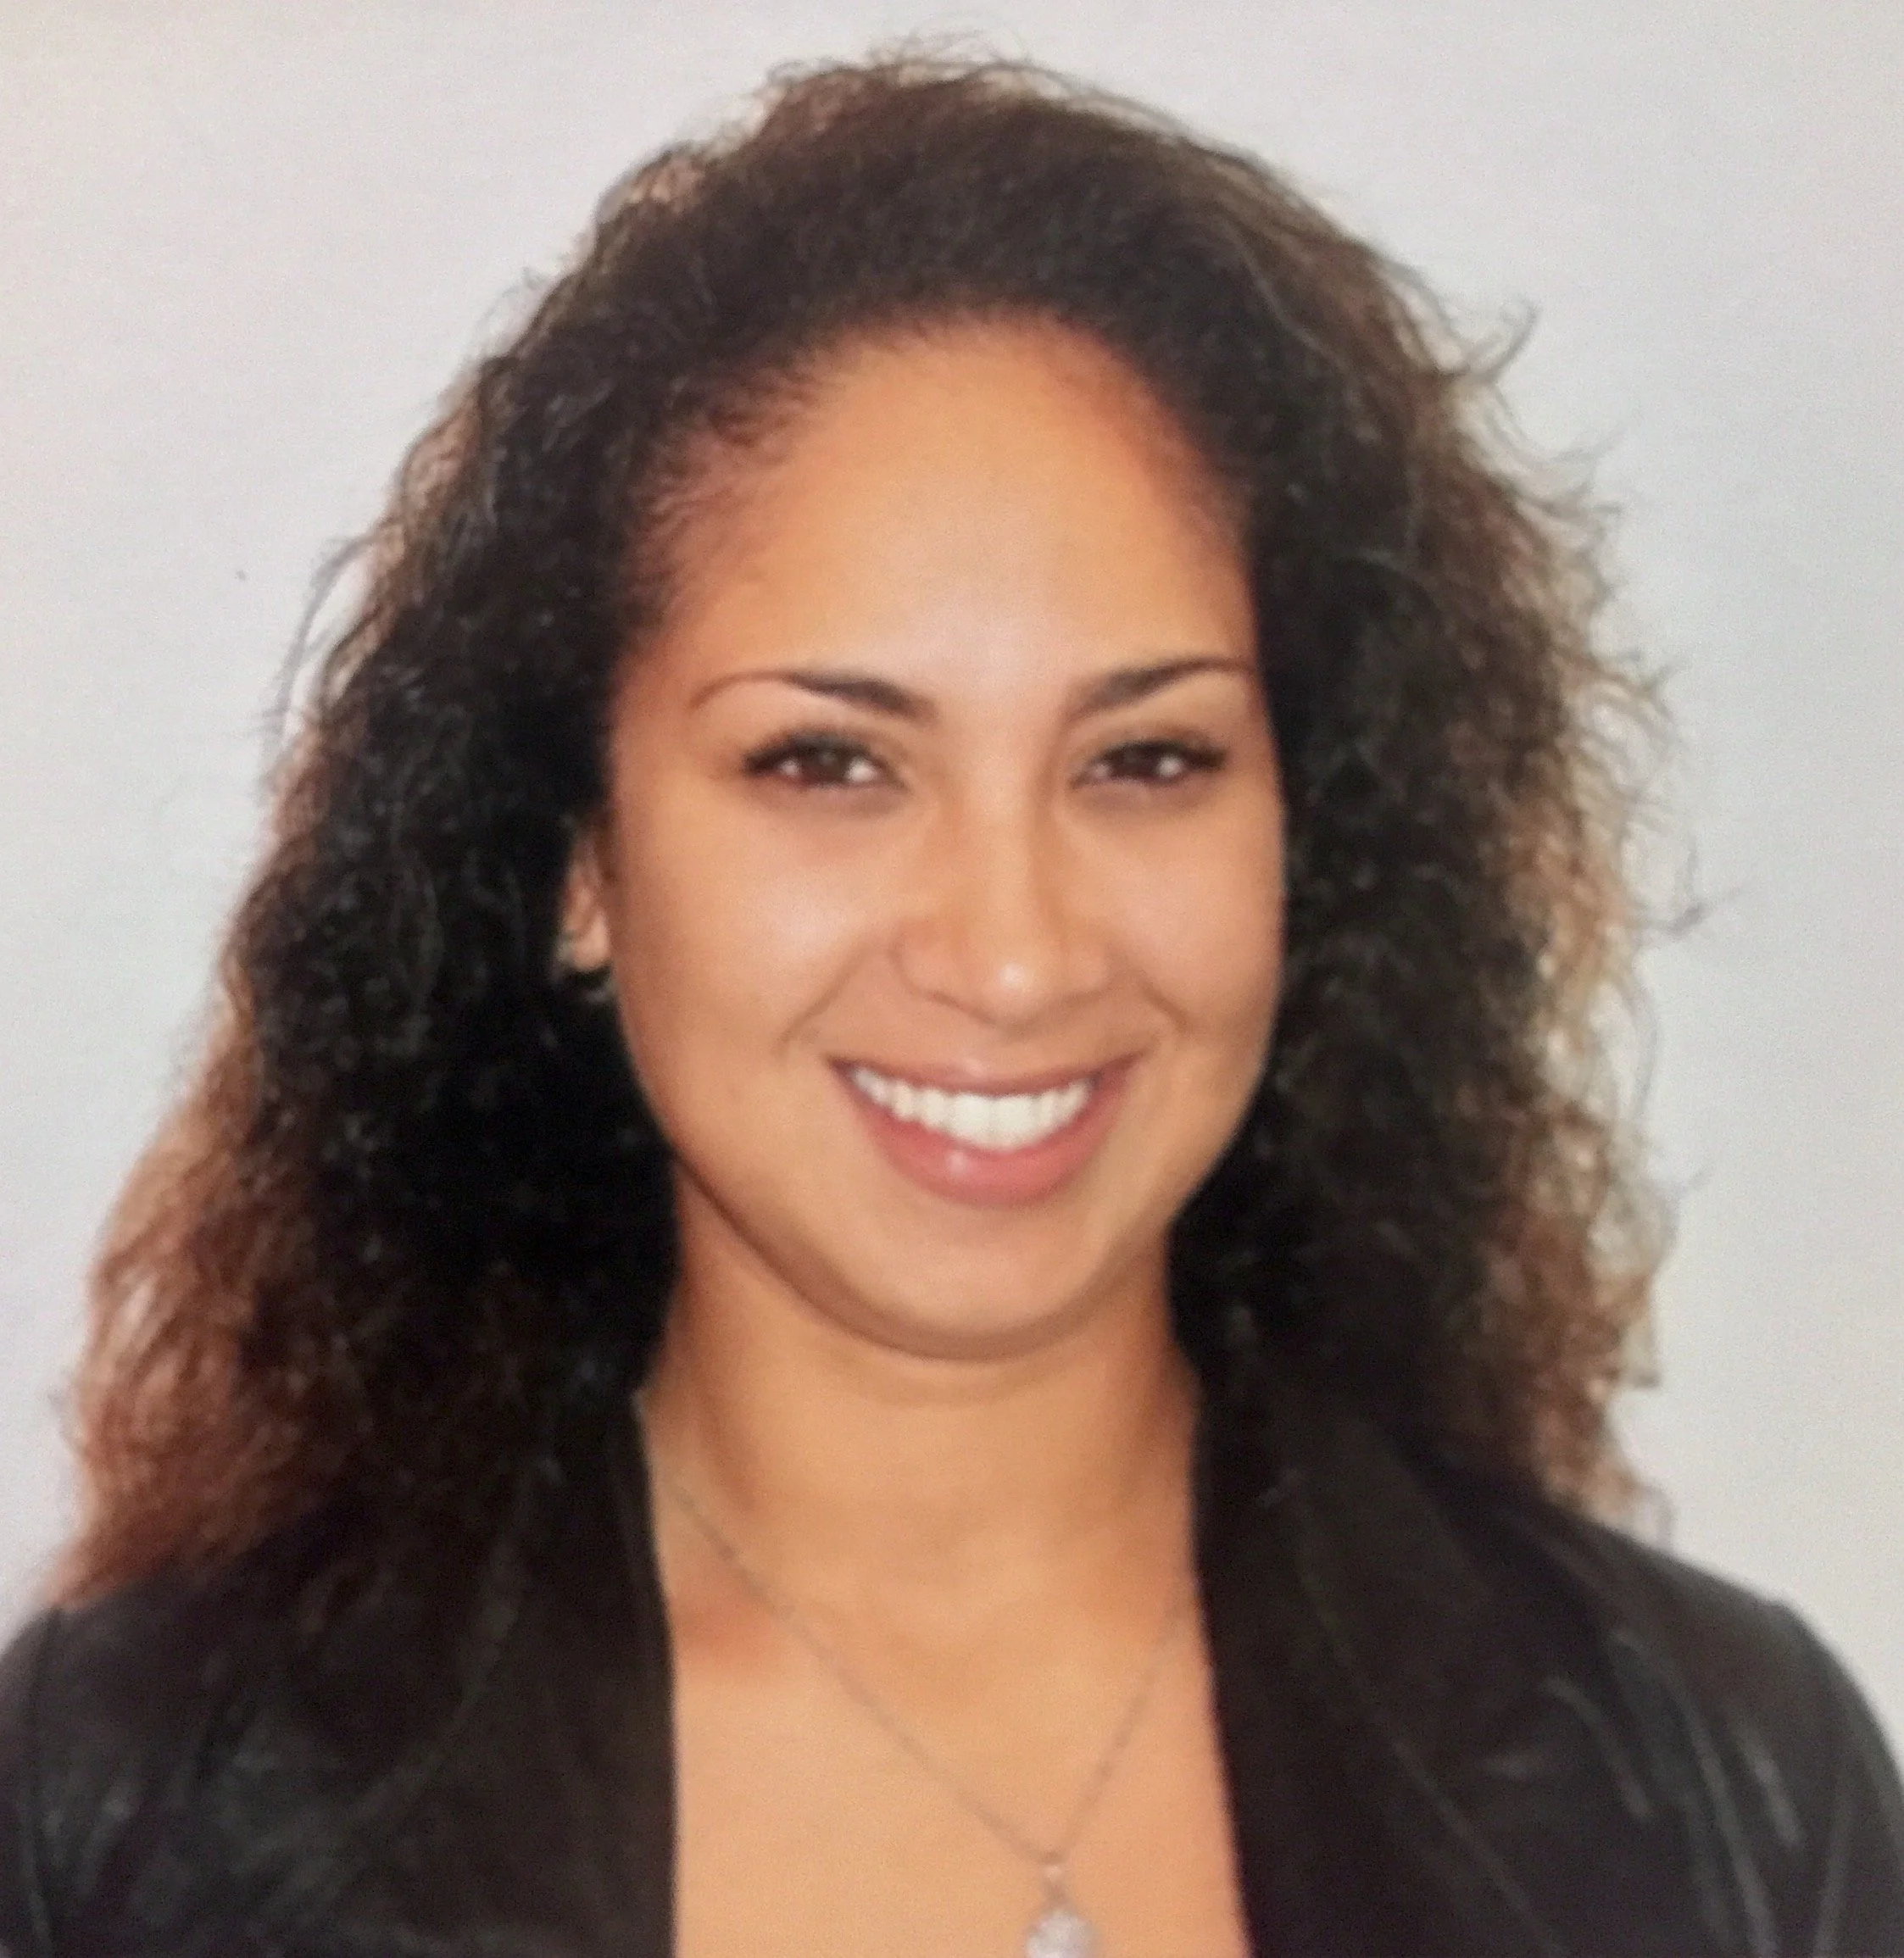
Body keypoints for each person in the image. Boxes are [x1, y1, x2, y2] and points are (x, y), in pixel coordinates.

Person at [1, 52, 1899, 1958]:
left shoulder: (1730, 1791)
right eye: (827, 764)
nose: (1013, 956)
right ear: (576, 854)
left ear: (1308, 831)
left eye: (1146, 760)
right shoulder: (131, 1824)